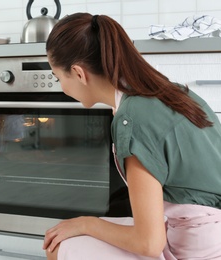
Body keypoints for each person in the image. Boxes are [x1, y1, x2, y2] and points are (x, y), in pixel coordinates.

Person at [43, 13, 221, 260]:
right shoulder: (166, 91)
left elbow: (148, 242)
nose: (61, 86)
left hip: (197, 250)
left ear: (79, 73)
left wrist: (86, 223)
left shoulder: (132, 119)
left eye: (57, 77)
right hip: (203, 233)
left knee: (58, 248)